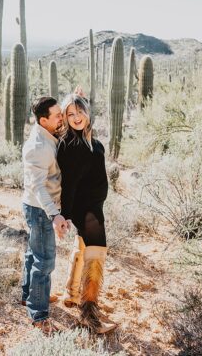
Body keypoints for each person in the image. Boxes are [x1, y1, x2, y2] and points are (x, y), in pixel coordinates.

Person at [57, 91, 117, 333]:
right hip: (87, 211)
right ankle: (89, 316)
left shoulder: (91, 140)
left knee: (83, 246)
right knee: (96, 252)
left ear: (88, 112)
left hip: (94, 207)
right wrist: (66, 214)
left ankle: (71, 292)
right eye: (70, 114)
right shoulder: (70, 144)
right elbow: (69, 183)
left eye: (79, 111)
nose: (76, 117)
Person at [20, 96, 66, 334]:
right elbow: (38, 188)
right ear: (43, 120)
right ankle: (38, 313)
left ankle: (27, 295)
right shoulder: (38, 147)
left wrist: (76, 99)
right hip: (40, 208)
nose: (62, 118)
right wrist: (54, 215)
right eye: (57, 115)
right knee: (44, 260)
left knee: (32, 252)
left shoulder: (47, 133)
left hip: (38, 206)